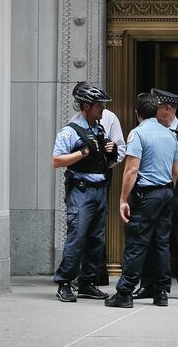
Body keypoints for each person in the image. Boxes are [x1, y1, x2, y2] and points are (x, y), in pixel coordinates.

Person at [105, 93, 178, 308]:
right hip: (166, 192)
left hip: (147, 195)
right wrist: (166, 190)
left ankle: (125, 292)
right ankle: (161, 293)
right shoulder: (170, 135)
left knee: (137, 243)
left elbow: (131, 169)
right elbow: (175, 171)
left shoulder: (137, 134)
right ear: (156, 112)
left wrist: (122, 199)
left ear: (136, 113)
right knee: (161, 244)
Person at [132, 88, 178, 301]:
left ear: (167, 108)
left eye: (157, 107)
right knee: (150, 237)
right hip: (155, 188)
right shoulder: (151, 128)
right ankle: (147, 284)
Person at [52, 83, 120, 303]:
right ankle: (64, 283)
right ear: (86, 106)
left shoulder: (99, 129)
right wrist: (83, 151)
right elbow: (57, 160)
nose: (103, 109)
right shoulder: (70, 131)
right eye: (99, 105)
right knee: (77, 237)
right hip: (80, 191)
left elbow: (105, 163)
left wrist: (111, 152)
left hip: (100, 190)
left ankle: (87, 283)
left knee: (95, 239)